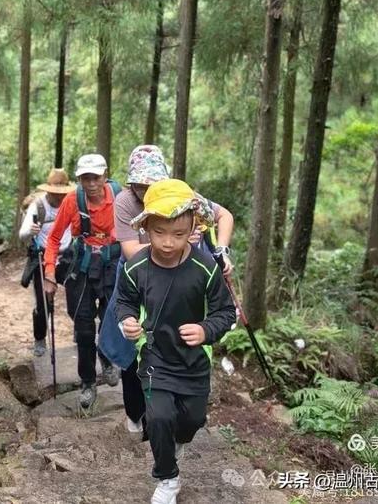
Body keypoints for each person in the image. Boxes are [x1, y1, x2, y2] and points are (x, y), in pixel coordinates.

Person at [115, 179, 236, 504]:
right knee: (158, 418)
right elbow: (124, 301)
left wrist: (205, 330)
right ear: (146, 228)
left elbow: (226, 312)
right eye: (159, 233)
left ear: (193, 229)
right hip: (155, 357)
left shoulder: (204, 267)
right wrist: (127, 321)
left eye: (179, 234)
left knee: (191, 421)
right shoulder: (136, 267)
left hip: (193, 362)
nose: (168, 242)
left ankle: (175, 443)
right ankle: (167, 478)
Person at [113, 144, 235, 434]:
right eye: (140, 185)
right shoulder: (125, 202)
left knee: (175, 340)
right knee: (131, 343)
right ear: (131, 184)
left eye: (154, 183)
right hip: (140, 276)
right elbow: (130, 250)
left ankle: (170, 416)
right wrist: (174, 241)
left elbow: (224, 216)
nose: (147, 190)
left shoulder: (181, 197)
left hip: (182, 274)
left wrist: (220, 250)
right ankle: (136, 412)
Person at [43, 153, 121, 409]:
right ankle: (88, 382)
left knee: (111, 318)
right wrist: (50, 272)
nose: (91, 183)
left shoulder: (120, 196)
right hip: (83, 265)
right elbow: (54, 238)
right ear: (79, 179)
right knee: (84, 327)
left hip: (112, 263)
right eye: (85, 178)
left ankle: (107, 357)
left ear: (105, 176)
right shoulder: (72, 201)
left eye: (95, 177)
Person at [18, 168, 74, 357]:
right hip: (42, 257)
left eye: (62, 193)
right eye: (55, 192)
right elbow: (22, 234)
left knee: (79, 296)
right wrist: (31, 231)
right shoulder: (38, 206)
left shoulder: (71, 202)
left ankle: (80, 331)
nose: (59, 196)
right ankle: (40, 339)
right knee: (43, 304)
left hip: (67, 256)